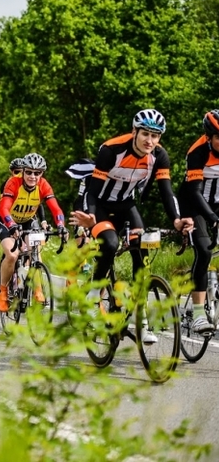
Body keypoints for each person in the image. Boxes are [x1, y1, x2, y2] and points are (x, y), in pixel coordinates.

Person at [70, 109, 193, 344]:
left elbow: (167, 192)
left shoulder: (159, 156)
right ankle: (93, 299)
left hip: (126, 205)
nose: (150, 140)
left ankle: (142, 321)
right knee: (111, 244)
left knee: (142, 254)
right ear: (134, 131)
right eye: (145, 134)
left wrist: (177, 220)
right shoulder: (111, 150)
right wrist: (90, 218)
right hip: (100, 205)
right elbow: (93, 190)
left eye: (155, 136)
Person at [0, 153, 67, 311]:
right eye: (28, 172)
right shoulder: (13, 183)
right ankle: (2, 291)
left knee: (34, 251)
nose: (33, 176)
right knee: (13, 255)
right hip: (8, 220)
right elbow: (3, 208)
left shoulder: (44, 185)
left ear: (42, 173)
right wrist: (12, 225)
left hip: (29, 220)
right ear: (23, 171)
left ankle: (38, 290)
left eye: (37, 173)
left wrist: (61, 226)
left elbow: (55, 208)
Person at [177, 109, 219, 335]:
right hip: (195, 205)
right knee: (203, 252)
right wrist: (213, 219)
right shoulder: (198, 152)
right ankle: (198, 314)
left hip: (217, 204)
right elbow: (195, 192)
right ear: (209, 136)